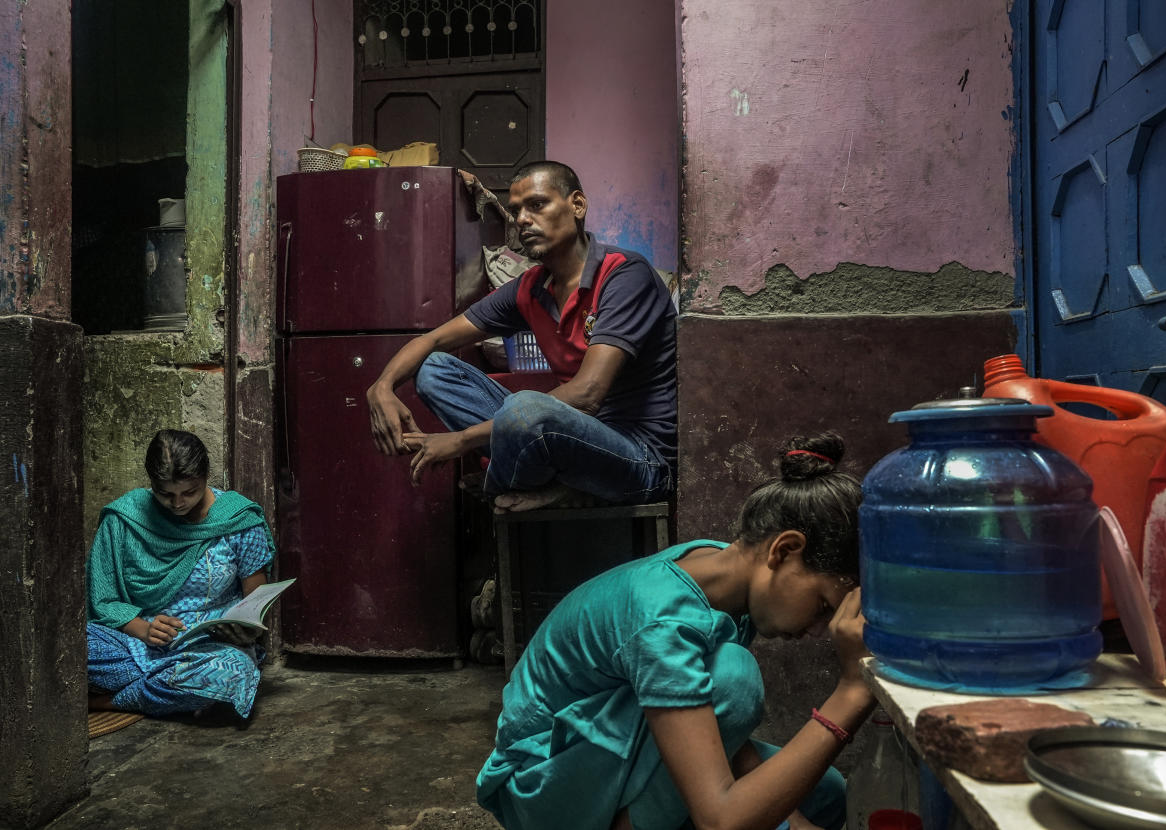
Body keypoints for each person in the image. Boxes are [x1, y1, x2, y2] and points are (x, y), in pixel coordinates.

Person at [476, 433, 875, 830]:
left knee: (824, 791)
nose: (821, 629)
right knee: (734, 678)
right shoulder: (665, 619)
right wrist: (851, 692)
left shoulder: (717, 568)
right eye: (824, 604)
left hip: (603, 756)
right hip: (541, 784)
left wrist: (794, 822)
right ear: (783, 550)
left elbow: (719, 731)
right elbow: (721, 820)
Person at [366, 160, 677, 513]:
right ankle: (554, 485)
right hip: (565, 442)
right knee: (433, 369)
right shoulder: (530, 289)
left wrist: (461, 441)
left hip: (638, 458)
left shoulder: (624, 275)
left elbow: (588, 395)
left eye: (537, 204)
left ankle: (514, 481)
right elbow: (433, 341)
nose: (523, 219)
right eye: (516, 211)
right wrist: (381, 386)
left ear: (577, 205)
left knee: (526, 408)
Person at [86, 429, 277, 719]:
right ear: (152, 482)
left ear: (206, 476)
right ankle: (162, 691)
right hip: (134, 645)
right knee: (67, 643)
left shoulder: (238, 521)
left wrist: (244, 632)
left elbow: (256, 604)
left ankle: (108, 701)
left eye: (190, 491)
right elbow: (102, 599)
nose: (177, 504)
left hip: (207, 650)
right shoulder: (124, 519)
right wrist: (143, 629)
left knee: (231, 675)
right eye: (165, 494)